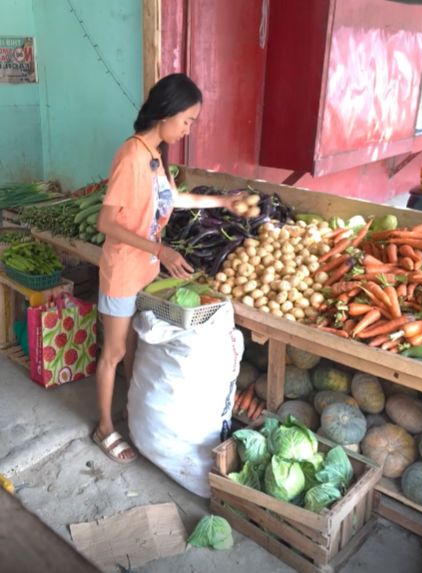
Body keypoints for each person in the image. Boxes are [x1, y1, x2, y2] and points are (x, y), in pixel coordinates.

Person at [92, 73, 244, 463]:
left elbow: (174, 200)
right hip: (122, 272)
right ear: (167, 113)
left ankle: (133, 414)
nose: (188, 129)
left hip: (143, 270)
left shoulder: (154, 155)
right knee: (113, 352)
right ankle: (104, 427)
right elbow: (106, 223)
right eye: (187, 120)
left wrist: (224, 202)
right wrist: (160, 249)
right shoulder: (131, 156)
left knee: (133, 347)